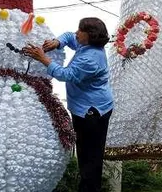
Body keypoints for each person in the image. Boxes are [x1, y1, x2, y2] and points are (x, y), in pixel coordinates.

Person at [23, 17, 113, 192]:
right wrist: (58, 42)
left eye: (80, 31)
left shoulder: (91, 58)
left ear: (90, 35)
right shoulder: (86, 44)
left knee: (90, 160)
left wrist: (43, 59)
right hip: (86, 108)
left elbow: (66, 75)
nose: (76, 33)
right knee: (86, 156)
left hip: (92, 112)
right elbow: (69, 36)